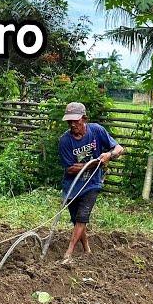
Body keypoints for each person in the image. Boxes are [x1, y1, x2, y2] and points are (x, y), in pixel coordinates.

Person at [58, 102, 124, 264]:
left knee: (82, 216)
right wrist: (96, 162)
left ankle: (69, 252)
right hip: (72, 187)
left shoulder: (96, 130)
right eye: (70, 121)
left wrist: (109, 155)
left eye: (76, 121)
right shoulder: (65, 141)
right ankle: (87, 248)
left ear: (84, 118)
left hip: (92, 183)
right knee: (77, 221)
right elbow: (71, 169)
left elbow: (119, 149)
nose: (73, 124)